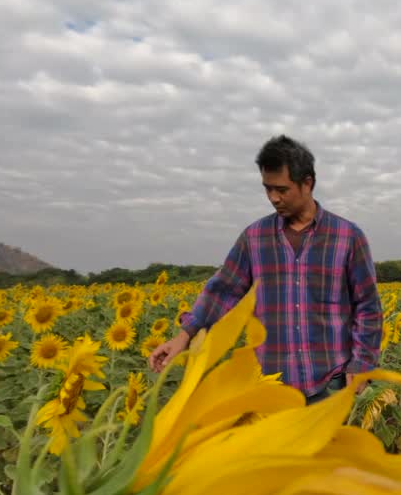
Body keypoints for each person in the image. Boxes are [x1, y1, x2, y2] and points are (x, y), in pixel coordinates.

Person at [149, 134, 384, 405]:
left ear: (307, 183)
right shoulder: (254, 238)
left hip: (331, 384)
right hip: (271, 387)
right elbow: (222, 292)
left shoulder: (347, 237)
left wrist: (362, 363)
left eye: (282, 189)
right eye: (267, 188)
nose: (273, 198)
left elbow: (367, 306)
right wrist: (183, 338)